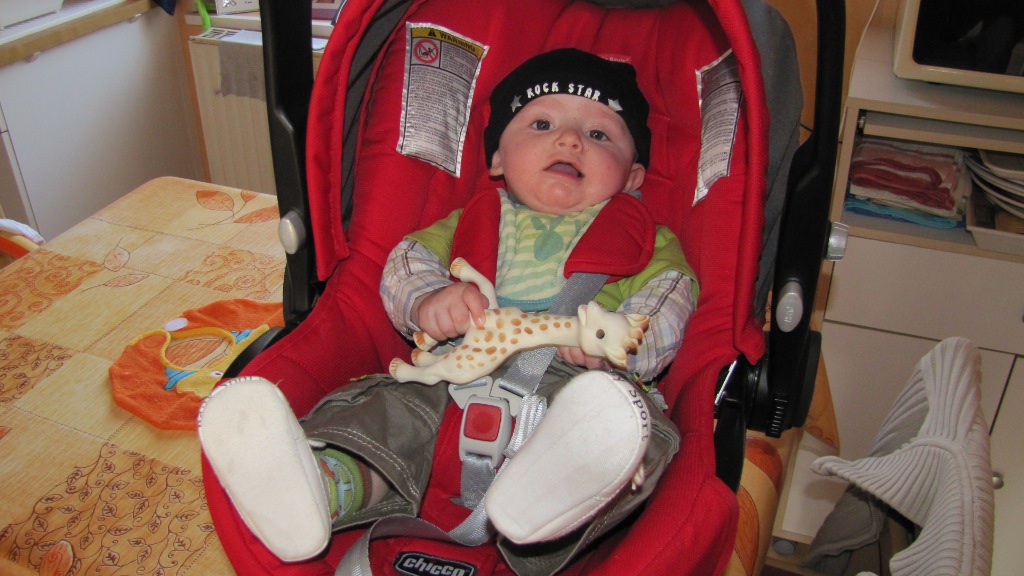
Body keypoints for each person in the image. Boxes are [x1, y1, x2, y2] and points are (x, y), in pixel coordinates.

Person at [198, 48, 698, 574]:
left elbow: (668, 302)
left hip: (574, 388)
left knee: (628, 433)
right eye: (542, 124)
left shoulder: (648, 242)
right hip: (453, 376)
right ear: (498, 159)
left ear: (633, 176)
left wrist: (618, 345)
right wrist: (429, 299)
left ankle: (549, 494)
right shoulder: (471, 220)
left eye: (599, 134)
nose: (571, 140)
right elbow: (405, 264)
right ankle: (320, 490)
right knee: (389, 411)